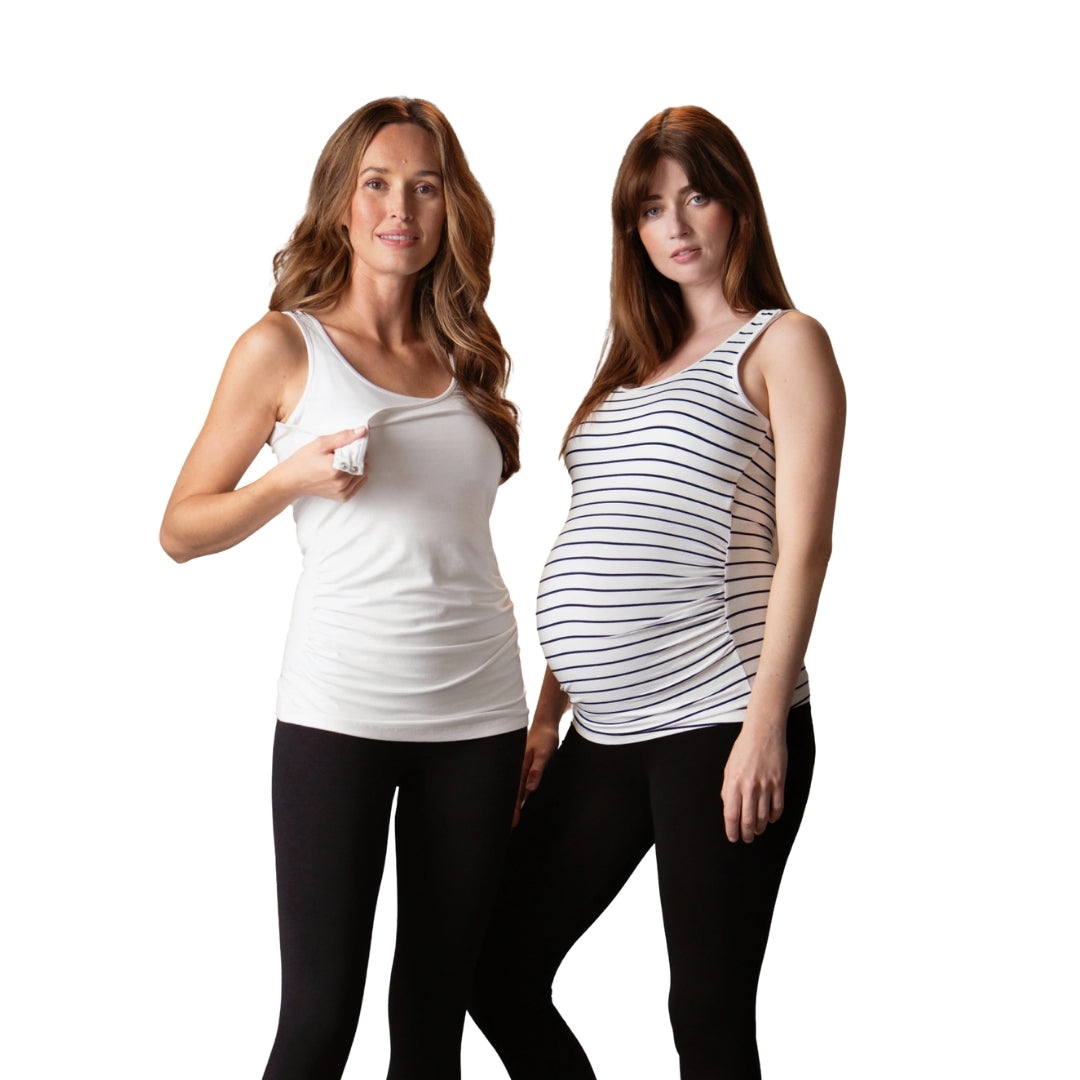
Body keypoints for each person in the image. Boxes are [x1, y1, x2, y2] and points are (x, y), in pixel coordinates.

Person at [468, 105, 845, 1079]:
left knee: (705, 1015)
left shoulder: (783, 343)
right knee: (494, 968)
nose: (674, 225)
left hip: (720, 718)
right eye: (649, 208)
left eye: (697, 196)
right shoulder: (627, 372)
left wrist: (764, 726)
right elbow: (602, 540)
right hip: (603, 732)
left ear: (737, 206)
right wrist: (547, 716)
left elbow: (805, 549)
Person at [159, 97, 528, 1080]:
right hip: (341, 714)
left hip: (480, 718)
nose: (400, 208)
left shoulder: (465, 356)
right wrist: (288, 479)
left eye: (425, 186)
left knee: (432, 1026)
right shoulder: (283, 347)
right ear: (340, 201)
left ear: (451, 208)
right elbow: (180, 528)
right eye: (376, 183)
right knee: (319, 1021)